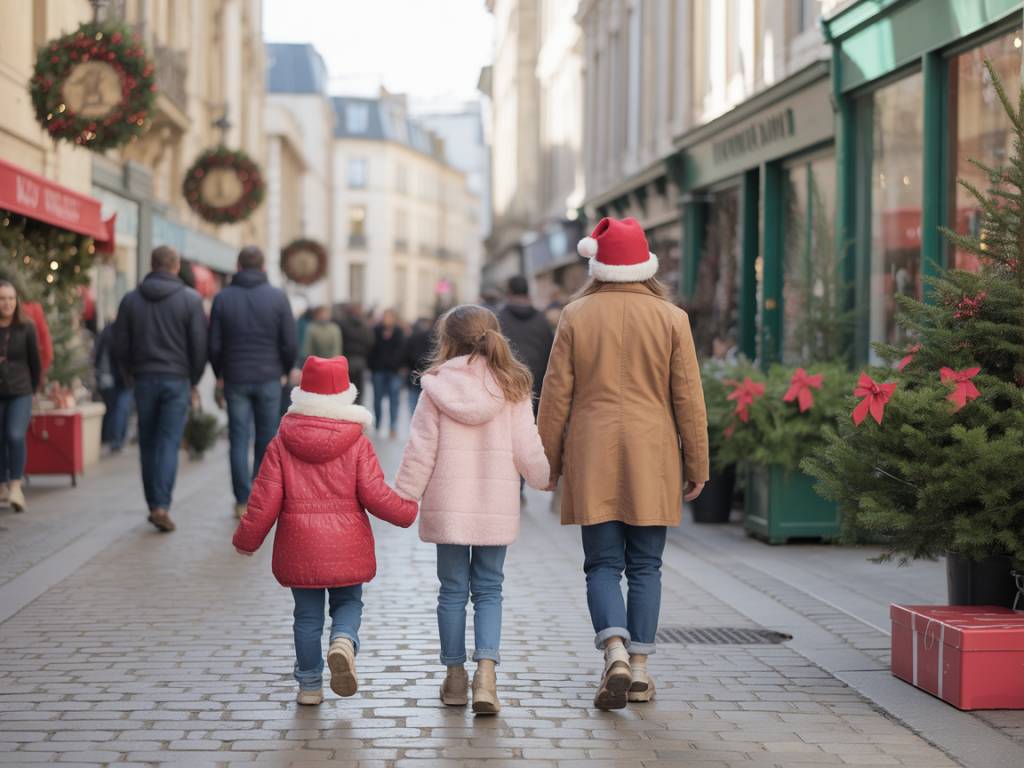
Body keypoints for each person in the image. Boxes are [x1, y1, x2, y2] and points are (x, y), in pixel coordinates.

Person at [537, 217, 709, 710]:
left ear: (598, 265)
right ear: (645, 263)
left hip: (591, 450)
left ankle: (612, 647)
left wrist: (546, 461)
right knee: (647, 566)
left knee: (602, 563)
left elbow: (555, 396)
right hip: (653, 453)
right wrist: (697, 461)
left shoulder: (575, 314)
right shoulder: (672, 318)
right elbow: (689, 399)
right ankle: (638, 668)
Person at [233, 355, 417, 706]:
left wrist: (246, 540)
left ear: (302, 392)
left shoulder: (282, 441)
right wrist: (407, 512)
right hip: (347, 543)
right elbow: (375, 494)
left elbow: (264, 499)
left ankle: (309, 685)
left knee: (306, 616)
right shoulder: (357, 441)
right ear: (346, 395)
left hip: (299, 545)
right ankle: (344, 641)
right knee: (348, 601)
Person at [395, 305, 550, 716]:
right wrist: (543, 478)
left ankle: (454, 677)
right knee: (489, 590)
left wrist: (405, 494)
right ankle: (486, 675)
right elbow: (527, 444)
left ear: (447, 340)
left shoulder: (436, 388)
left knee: (451, 591)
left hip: (448, 508)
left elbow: (420, 449)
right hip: (494, 506)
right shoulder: (512, 385)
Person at [114, 245, 207, 532]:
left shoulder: (130, 300)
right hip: (176, 379)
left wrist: (130, 374)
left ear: (152, 264)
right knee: (168, 442)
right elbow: (198, 345)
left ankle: (152, 502)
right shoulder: (190, 300)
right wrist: (193, 378)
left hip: (144, 379)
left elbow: (120, 345)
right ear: (176, 266)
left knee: (148, 442)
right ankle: (162, 505)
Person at [209, 246, 298, 520]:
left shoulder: (223, 298)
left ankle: (241, 499)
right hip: (269, 376)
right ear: (262, 267)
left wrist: (220, 373)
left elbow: (214, 344)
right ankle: (260, 497)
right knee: (266, 438)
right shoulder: (277, 297)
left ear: (238, 266)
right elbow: (290, 341)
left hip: (236, 377)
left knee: (238, 438)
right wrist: (283, 369)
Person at [0, 280, 41, 512]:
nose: (7, 303)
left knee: (15, 435)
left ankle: (15, 486)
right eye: (2, 298)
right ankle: (1, 485)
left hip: (20, 391)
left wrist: (33, 389)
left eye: (11, 299)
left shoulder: (27, 327)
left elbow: (35, 362)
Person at [497, 276, 554, 411]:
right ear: (528, 292)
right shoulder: (541, 319)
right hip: (537, 384)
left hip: (506, 385)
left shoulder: (499, 318)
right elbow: (551, 352)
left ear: (509, 292)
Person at [94, 319, 132, 452]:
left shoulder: (107, 331)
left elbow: (96, 353)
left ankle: (111, 438)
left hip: (108, 378)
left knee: (112, 409)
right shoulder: (125, 331)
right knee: (121, 409)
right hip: (124, 378)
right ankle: (117, 439)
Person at [367, 309, 405, 438]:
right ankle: (378, 424)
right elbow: (371, 349)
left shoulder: (399, 332)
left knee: (394, 399)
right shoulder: (376, 330)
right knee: (377, 398)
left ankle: (392, 426)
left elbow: (401, 350)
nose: (387, 319)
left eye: (390, 317)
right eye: (385, 317)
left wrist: (396, 364)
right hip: (378, 370)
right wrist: (373, 365)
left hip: (393, 371)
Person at [335, 303, 374, 405]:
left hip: (346, 360)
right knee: (359, 389)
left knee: (346, 388)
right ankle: (357, 408)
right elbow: (370, 342)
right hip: (360, 360)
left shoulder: (341, 324)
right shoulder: (364, 326)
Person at [403, 316, 435, 415]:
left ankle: (414, 418)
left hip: (414, 372)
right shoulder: (433, 337)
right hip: (429, 373)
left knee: (413, 402)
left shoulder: (412, 336)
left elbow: (406, 354)